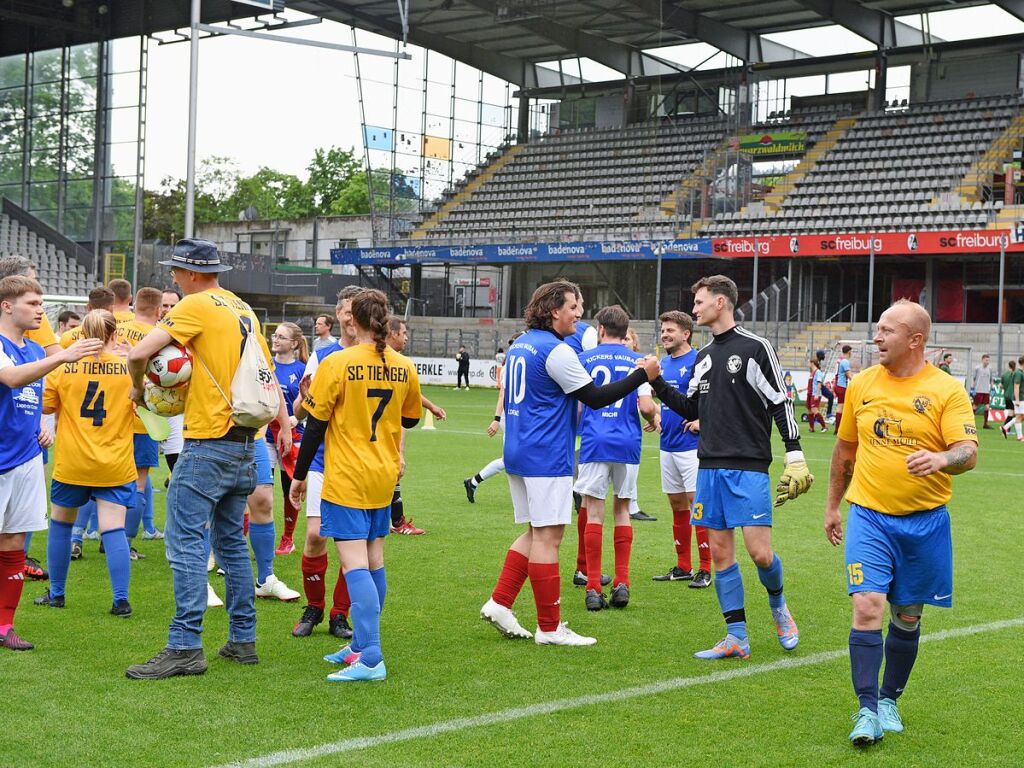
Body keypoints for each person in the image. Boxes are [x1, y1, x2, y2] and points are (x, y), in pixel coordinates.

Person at [124, 239, 291, 680]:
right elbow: (266, 374)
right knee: (232, 544)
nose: (172, 280)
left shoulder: (195, 306)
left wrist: (139, 389)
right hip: (246, 442)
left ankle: (184, 646)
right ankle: (242, 640)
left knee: (185, 543)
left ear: (191, 273)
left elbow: (139, 353)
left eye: (175, 273)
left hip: (208, 441)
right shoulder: (243, 308)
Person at [824, 299, 978, 746]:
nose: (877, 337)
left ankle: (890, 698)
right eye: (877, 329)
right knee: (867, 606)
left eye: (887, 330)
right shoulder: (862, 385)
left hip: (925, 523)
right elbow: (844, 451)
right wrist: (833, 506)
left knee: (907, 616)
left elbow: (968, 451)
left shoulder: (947, 390)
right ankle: (867, 710)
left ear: (915, 340)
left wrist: (942, 458)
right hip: (869, 517)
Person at [479, 280, 660, 647]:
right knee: (549, 537)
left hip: (519, 449)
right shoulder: (555, 351)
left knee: (534, 532)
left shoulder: (521, 344)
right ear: (552, 310)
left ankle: (501, 601)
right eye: (573, 307)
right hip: (545, 455)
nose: (579, 315)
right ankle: (550, 627)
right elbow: (595, 397)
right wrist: (643, 376)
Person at [649, 275, 811, 660]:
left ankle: (779, 607)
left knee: (760, 554)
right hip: (709, 467)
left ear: (721, 303)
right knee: (721, 555)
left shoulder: (756, 348)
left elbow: (780, 402)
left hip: (749, 467)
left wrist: (795, 452)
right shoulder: (703, 357)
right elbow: (691, 408)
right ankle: (736, 636)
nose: (694, 309)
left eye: (700, 302)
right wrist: (656, 383)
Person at [290, 289, 422, 682]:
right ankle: (361, 646)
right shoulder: (403, 365)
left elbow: (314, 425)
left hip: (346, 475)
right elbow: (411, 420)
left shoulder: (339, 362)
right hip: (382, 474)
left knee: (354, 564)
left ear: (354, 321)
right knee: (374, 560)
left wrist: (298, 477)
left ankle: (372, 657)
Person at [0, 275, 101, 650]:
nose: (40, 310)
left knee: (13, 543)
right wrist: (62, 356)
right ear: (7, 305)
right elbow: (9, 379)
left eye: (42, 304)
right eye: (32, 303)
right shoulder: (6, 348)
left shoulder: (31, 350)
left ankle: (4, 626)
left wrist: (43, 427)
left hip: (26, 457)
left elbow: (31, 395)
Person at [36, 310, 138, 617]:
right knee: (113, 529)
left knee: (61, 525)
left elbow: (47, 405)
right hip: (115, 462)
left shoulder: (63, 368)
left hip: (73, 461)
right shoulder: (129, 368)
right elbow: (145, 404)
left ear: (81, 335)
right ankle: (120, 601)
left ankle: (57, 594)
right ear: (114, 334)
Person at [290, 286, 364, 639]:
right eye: (346, 312)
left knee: (353, 542)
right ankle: (314, 607)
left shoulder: (376, 357)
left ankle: (339, 614)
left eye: (357, 311)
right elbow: (299, 412)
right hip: (323, 459)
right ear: (338, 314)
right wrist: (306, 399)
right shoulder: (324, 356)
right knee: (317, 536)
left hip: (361, 462)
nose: (351, 319)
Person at [574, 305, 658, 610]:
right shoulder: (639, 362)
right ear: (626, 332)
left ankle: (594, 587)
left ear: (600, 330)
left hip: (595, 441)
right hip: (627, 443)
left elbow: (580, 407)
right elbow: (647, 406)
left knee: (593, 513)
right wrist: (654, 417)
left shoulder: (584, 359)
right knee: (623, 510)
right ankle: (622, 583)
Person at [651, 310, 711, 588]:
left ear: (686, 333)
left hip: (691, 447)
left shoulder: (699, 360)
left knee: (696, 504)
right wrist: (657, 416)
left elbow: (713, 399)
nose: (665, 335)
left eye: (670, 330)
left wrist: (702, 419)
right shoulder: (663, 363)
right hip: (668, 444)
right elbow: (667, 397)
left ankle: (706, 569)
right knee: (676, 504)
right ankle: (684, 566)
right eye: (663, 330)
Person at [384, 315, 446, 536]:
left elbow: (412, 393)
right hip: (387, 426)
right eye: (404, 332)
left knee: (393, 472)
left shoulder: (395, 362)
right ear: (392, 333)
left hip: (386, 424)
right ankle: (395, 521)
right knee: (394, 469)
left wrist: (431, 406)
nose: (406, 337)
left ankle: (393, 520)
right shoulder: (395, 362)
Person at [119, 287, 166, 555]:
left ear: (134, 305)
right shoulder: (161, 338)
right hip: (145, 417)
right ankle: (125, 543)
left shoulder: (119, 330)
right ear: (159, 310)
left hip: (116, 415)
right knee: (139, 481)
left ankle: (102, 536)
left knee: (113, 481)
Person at [463, 338, 520, 503]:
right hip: (509, 417)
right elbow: (502, 394)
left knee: (509, 459)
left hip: (515, 416)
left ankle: (473, 482)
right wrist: (496, 419)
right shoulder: (509, 367)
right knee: (511, 459)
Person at [269, 322, 309, 556]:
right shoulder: (266, 365)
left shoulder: (302, 370)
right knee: (259, 487)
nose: (275, 339)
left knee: (288, 488)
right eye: (275, 335)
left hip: (294, 436)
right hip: (265, 435)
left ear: (294, 344)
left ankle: (288, 538)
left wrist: (293, 420)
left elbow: (309, 405)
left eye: (281, 337)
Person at [624, 327, 655, 523]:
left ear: (635, 343)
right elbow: (646, 404)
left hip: (619, 424)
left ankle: (632, 505)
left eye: (628, 339)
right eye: (622, 338)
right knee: (628, 469)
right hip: (625, 427)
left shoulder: (640, 364)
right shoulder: (636, 367)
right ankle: (630, 507)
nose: (625, 342)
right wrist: (653, 417)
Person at [158, 289, 183, 480]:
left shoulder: (187, 334)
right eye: (165, 305)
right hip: (147, 407)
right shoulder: (149, 332)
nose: (168, 309)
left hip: (176, 405)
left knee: (176, 458)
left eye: (173, 306)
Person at [1002, 355, 1024, 442]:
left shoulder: (1020, 372)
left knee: (1021, 416)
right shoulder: (1018, 373)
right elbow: (1016, 386)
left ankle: (1005, 427)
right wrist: (1017, 399)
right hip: (1019, 398)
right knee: (1020, 416)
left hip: (1020, 398)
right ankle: (1020, 437)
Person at [834, 344, 855, 433]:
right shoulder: (845, 361)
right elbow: (849, 375)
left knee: (842, 406)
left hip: (837, 385)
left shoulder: (839, 360)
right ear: (849, 352)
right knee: (841, 407)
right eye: (852, 352)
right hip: (842, 386)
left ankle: (839, 427)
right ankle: (838, 429)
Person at [970, 354, 993, 428]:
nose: (987, 362)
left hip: (986, 391)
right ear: (982, 360)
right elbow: (973, 379)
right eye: (986, 360)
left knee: (987, 407)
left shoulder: (990, 369)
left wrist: (992, 388)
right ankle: (970, 422)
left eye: (988, 360)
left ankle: (985, 424)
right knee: (975, 406)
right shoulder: (977, 368)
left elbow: (991, 379)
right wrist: (973, 388)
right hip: (978, 390)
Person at [999, 359, 1019, 438]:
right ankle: (1005, 429)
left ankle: (1007, 429)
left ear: (1008, 366)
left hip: (1006, 395)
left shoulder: (1004, 375)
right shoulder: (1015, 374)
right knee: (1012, 413)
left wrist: (1006, 388)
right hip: (1013, 396)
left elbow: (1001, 385)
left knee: (1012, 413)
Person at [806, 358, 827, 433]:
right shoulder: (811, 372)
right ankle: (811, 428)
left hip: (815, 394)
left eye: (809, 362)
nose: (808, 364)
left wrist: (817, 394)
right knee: (809, 410)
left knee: (814, 410)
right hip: (809, 393)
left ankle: (824, 426)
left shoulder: (818, 372)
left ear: (812, 363)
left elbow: (819, 383)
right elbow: (812, 384)